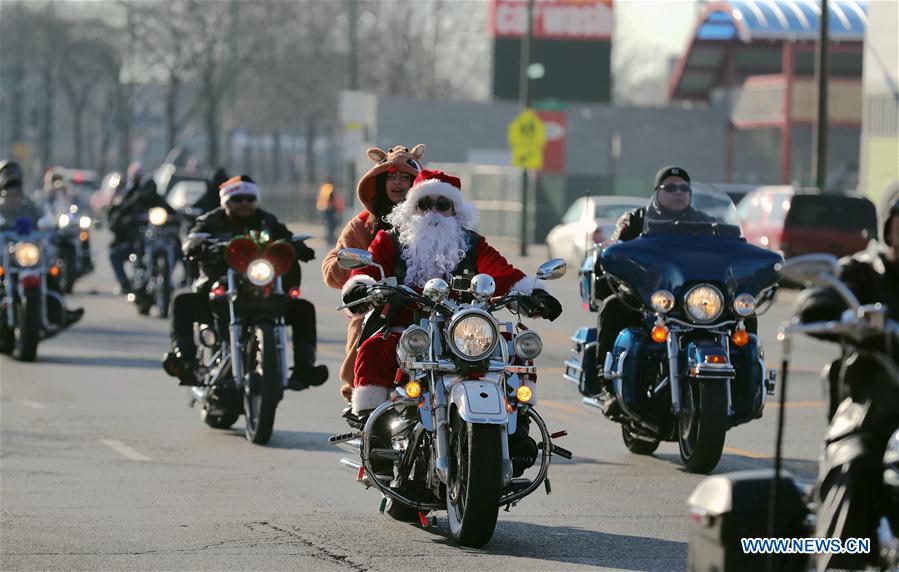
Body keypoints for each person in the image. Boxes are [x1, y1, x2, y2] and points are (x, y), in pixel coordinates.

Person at [341, 169, 562, 414]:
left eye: (443, 204)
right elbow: (370, 268)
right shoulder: (389, 240)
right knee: (374, 348)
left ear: (455, 211)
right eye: (424, 204)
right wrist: (361, 287)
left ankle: (519, 418)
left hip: (466, 331)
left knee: (516, 347)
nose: (433, 212)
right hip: (407, 329)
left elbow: (502, 272)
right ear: (412, 208)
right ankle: (374, 424)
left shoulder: (472, 244)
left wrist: (534, 294)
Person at [162, 175, 328, 390]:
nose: (244, 204)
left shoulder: (267, 220)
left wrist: (298, 247)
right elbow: (192, 238)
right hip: (219, 290)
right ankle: (185, 360)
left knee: (304, 309)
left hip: (261, 288)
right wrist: (196, 245)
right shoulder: (211, 220)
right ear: (226, 201)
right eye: (237, 199)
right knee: (181, 301)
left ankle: (304, 367)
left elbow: (285, 237)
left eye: (249, 198)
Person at [591, 166, 711, 412]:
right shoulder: (636, 219)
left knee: (743, 316)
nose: (678, 193)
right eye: (670, 187)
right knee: (612, 306)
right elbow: (613, 249)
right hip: (645, 297)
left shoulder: (704, 223)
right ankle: (606, 386)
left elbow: (721, 254)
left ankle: (746, 385)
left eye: (683, 188)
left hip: (692, 301)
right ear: (657, 192)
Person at [321, 144, 425, 402]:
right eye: (391, 177)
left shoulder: (434, 221)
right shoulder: (362, 224)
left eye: (405, 178)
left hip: (426, 309)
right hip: (380, 308)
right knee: (366, 333)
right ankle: (364, 404)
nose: (398, 184)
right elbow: (332, 266)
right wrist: (357, 278)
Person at [0, 160, 84, 327]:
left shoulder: (30, 206)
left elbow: (44, 220)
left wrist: (51, 225)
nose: (13, 194)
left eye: (15, 188)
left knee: (49, 271)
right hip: (3, 257)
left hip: (24, 256)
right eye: (9, 187)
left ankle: (61, 311)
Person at [107, 179, 174, 294]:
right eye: (148, 189)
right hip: (138, 241)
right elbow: (118, 217)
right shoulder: (135, 201)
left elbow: (173, 213)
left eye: (152, 189)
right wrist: (126, 220)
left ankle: (185, 279)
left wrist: (177, 218)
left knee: (182, 250)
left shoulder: (159, 201)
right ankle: (125, 283)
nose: (150, 192)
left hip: (158, 239)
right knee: (114, 254)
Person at [316, 179, 345, 244]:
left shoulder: (324, 187)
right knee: (332, 224)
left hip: (324, 207)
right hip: (330, 208)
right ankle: (330, 239)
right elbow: (331, 198)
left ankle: (329, 238)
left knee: (329, 224)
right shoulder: (330, 188)